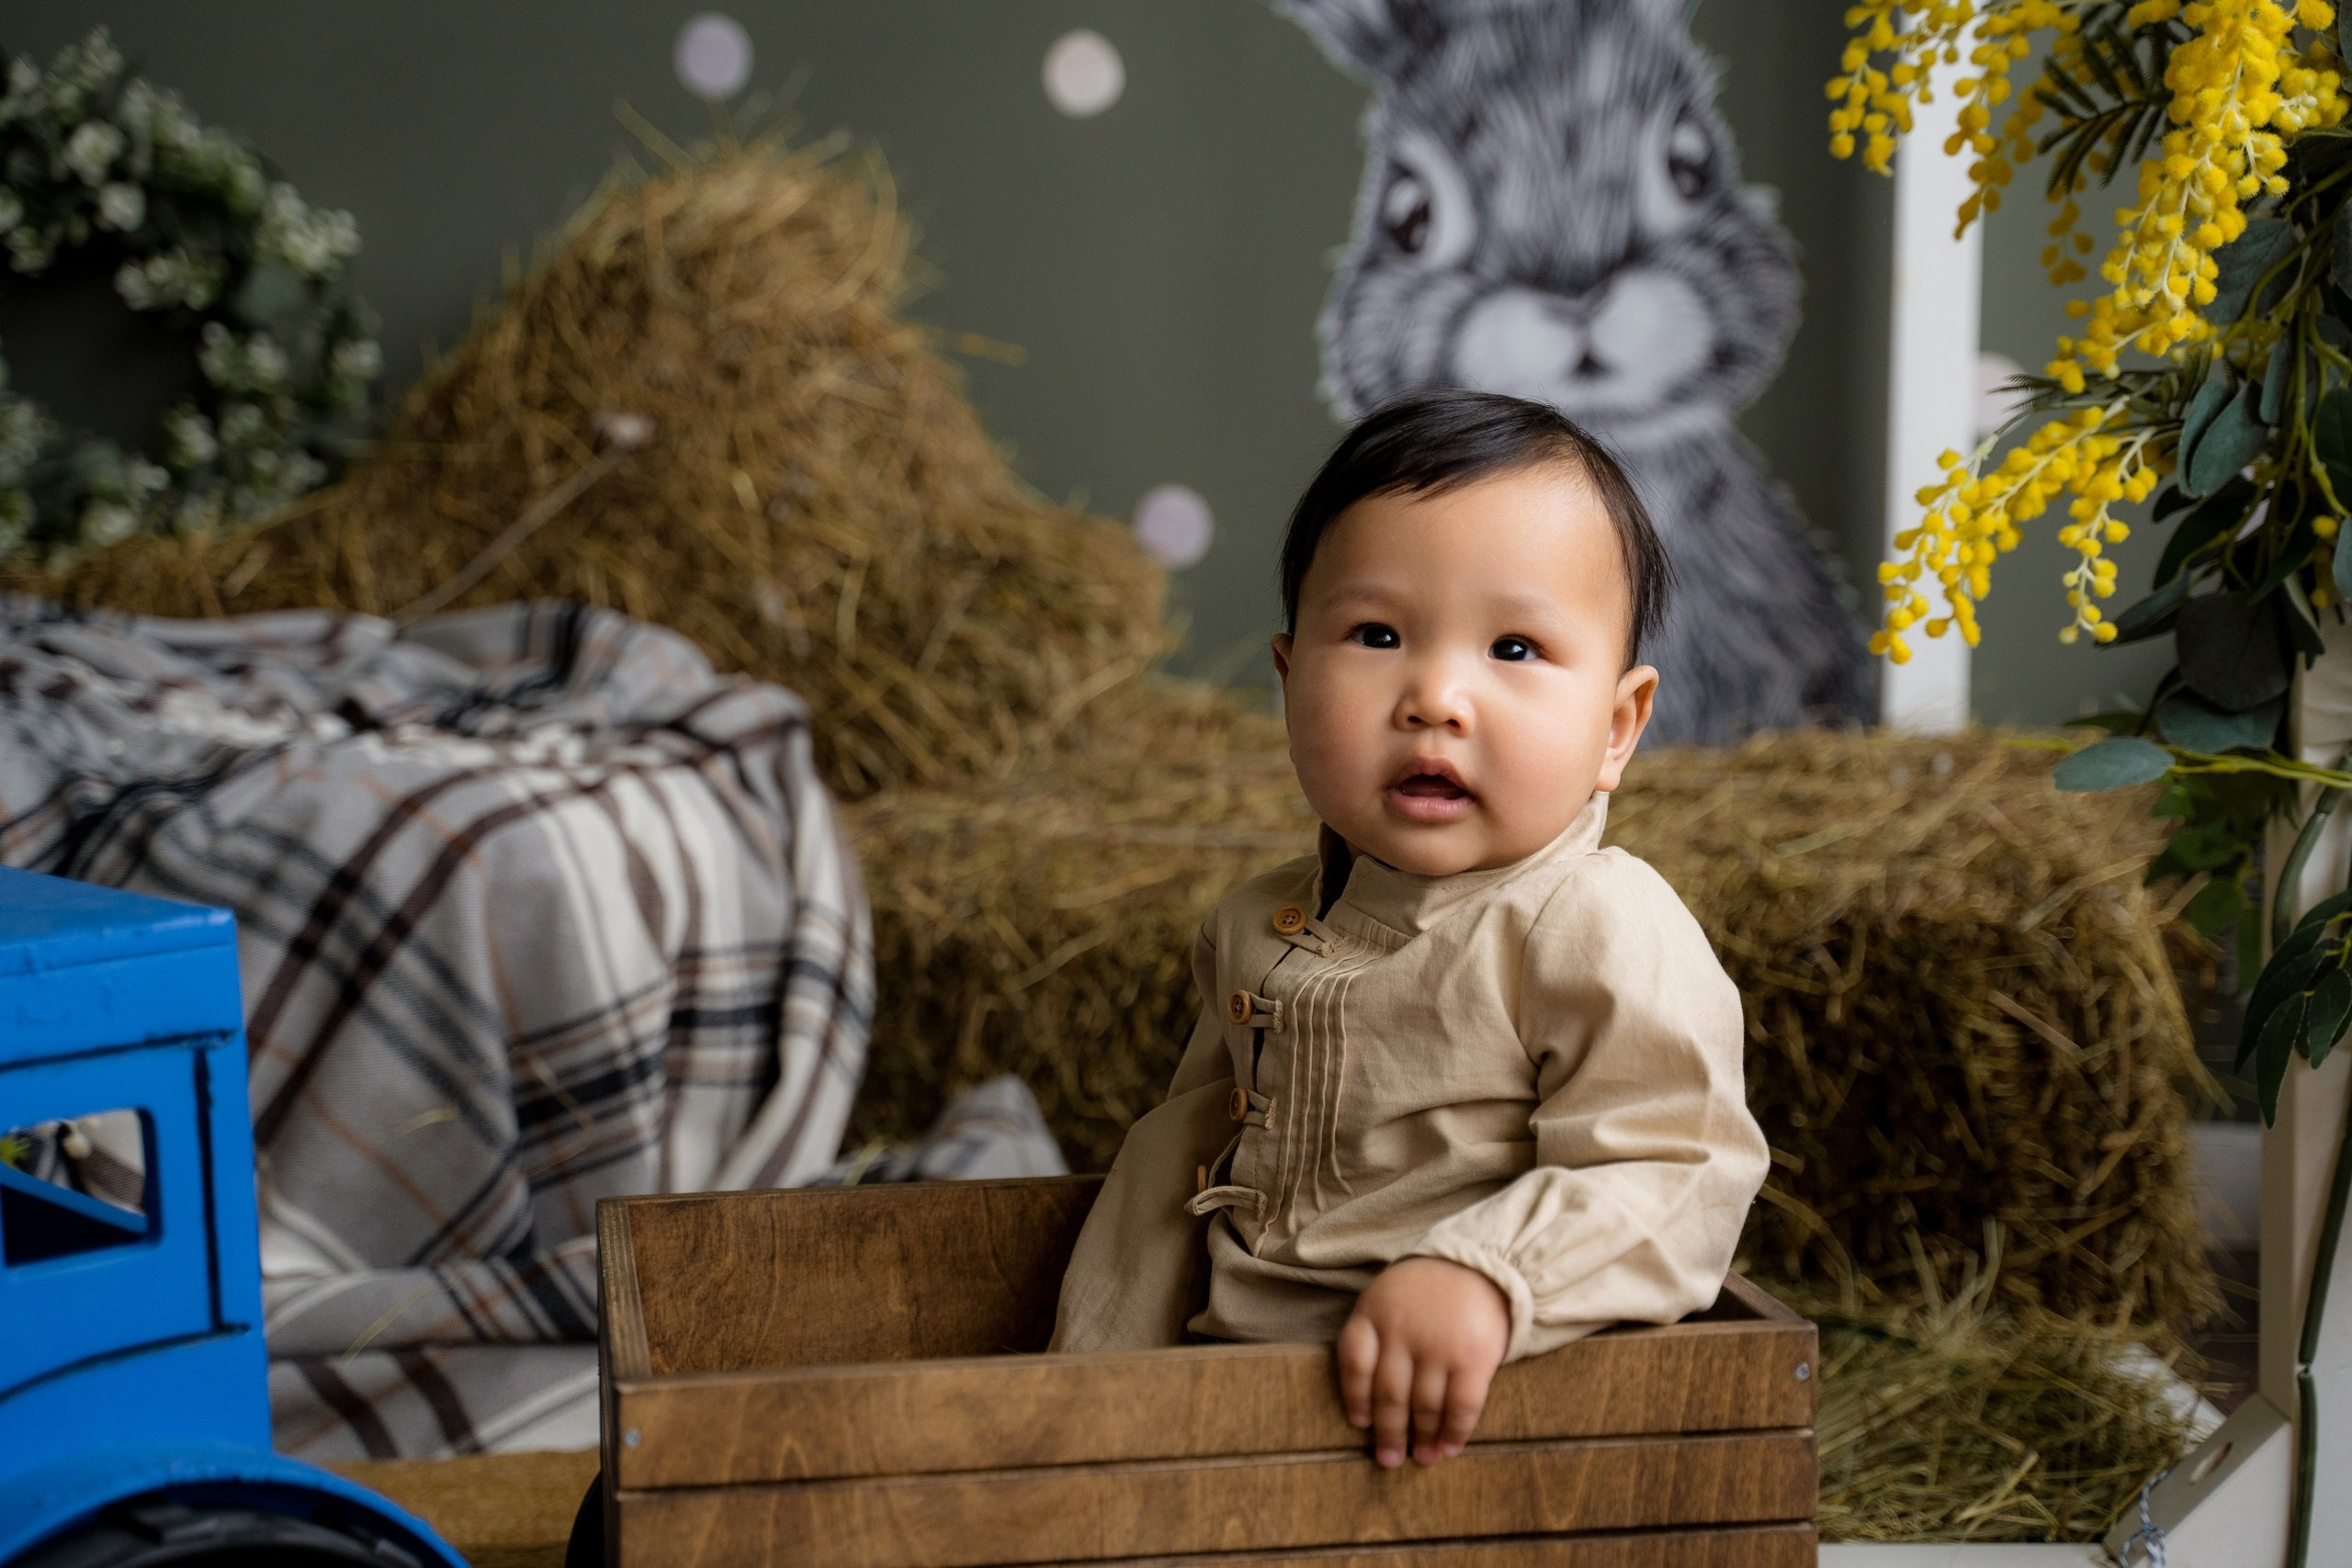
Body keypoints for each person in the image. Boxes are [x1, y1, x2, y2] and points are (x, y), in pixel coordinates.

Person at [1050, 389, 1770, 1471]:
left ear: (1615, 729)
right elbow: (1171, 1178)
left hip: (1459, 1436)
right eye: (1378, 635)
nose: (1436, 695)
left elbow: (1677, 1165)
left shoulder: (1590, 925)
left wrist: (1489, 1274)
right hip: (1217, 1424)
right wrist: (1081, 1405)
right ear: (1290, 683)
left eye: (1515, 648)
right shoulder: (1257, 926)